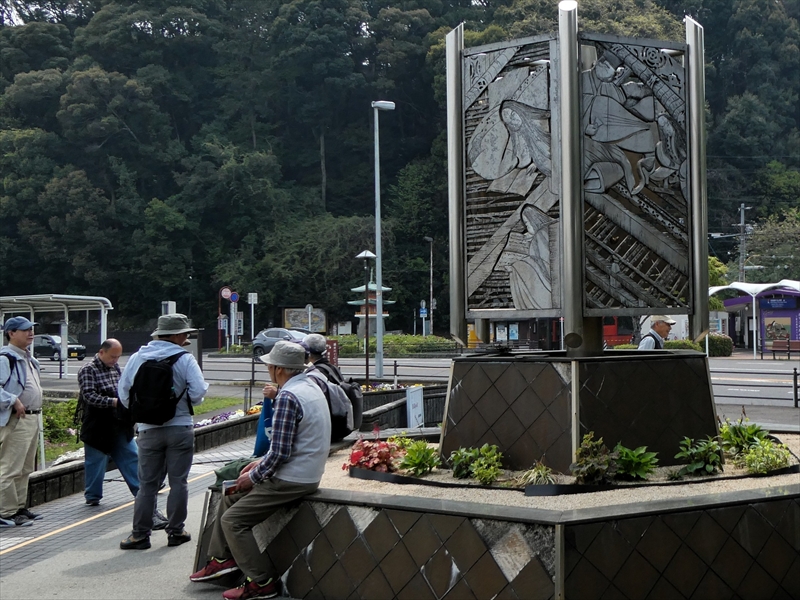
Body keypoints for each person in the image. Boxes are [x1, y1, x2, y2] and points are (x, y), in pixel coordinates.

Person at [190, 341, 331, 600]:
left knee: (233, 521)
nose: (267, 368)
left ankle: (261, 581)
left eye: (269, 364)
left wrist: (252, 477)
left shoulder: (288, 396)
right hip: (307, 471)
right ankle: (221, 560)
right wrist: (260, 463)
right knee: (230, 495)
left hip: (291, 478)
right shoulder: (311, 386)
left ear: (278, 368)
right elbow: (286, 445)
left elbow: (280, 453)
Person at [117, 313, 208, 550]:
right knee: (179, 482)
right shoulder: (185, 359)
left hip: (148, 430)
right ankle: (176, 531)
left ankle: (140, 535)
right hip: (180, 427)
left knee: (147, 484)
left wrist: (144, 412)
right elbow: (198, 393)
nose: (187, 338)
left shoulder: (137, 357)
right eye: (186, 334)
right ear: (178, 335)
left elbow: (124, 393)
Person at [77, 339, 167, 526]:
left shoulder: (116, 368)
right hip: (97, 424)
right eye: (112, 356)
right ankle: (92, 496)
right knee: (95, 461)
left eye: (118, 357)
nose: (115, 360)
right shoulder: (88, 369)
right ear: (101, 352)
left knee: (131, 456)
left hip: (119, 423)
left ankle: (141, 491)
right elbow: (89, 396)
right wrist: (115, 402)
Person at [0, 316, 43, 528]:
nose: (30, 333)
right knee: (10, 466)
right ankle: (5, 512)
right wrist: (12, 400)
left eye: (31, 329)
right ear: (11, 333)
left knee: (25, 468)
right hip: (16, 419)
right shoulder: (5, 358)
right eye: (25, 330)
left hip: (31, 418)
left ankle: (18, 507)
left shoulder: (27, 357)